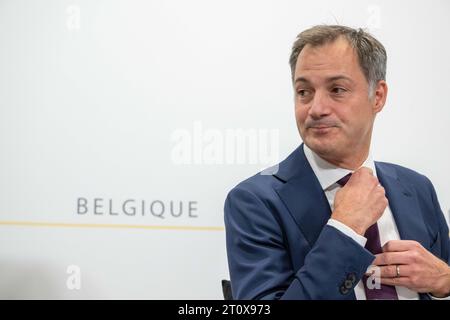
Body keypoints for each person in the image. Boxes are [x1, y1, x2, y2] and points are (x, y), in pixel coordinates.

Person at [224, 25, 450, 300]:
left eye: (337, 89)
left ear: (377, 96)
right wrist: (345, 228)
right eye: (304, 91)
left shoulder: (417, 188)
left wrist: (445, 280)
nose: (316, 109)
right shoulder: (255, 201)